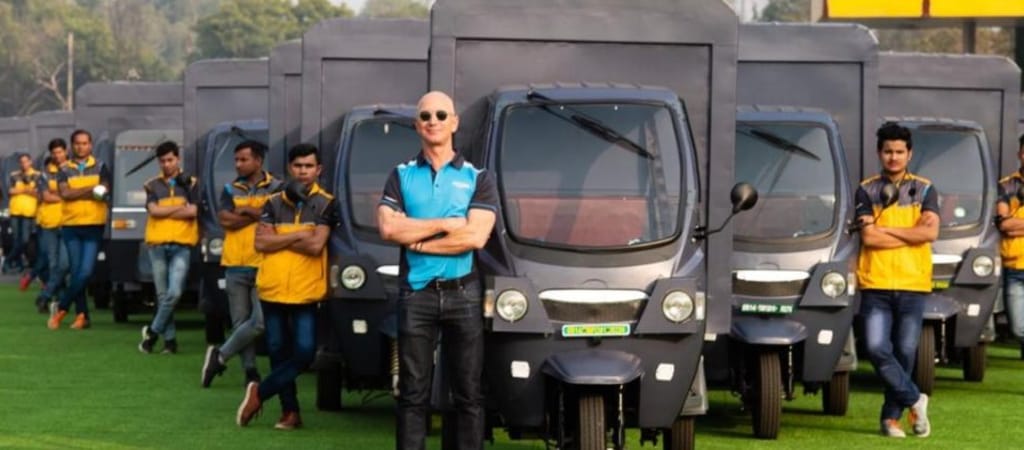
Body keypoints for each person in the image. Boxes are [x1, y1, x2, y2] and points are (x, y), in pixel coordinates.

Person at [377, 91, 498, 450]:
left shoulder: (478, 177)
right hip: (416, 294)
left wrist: (418, 240)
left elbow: (475, 236)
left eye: (441, 115)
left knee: (468, 393)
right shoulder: (400, 174)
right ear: (417, 125)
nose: (434, 121)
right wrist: (446, 224)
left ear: (454, 123)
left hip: (464, 293)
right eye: (426, 116)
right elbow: (388, 228)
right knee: (413, 393)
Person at [236, 143, 336, 430]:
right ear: (290, 168)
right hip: (272, 287)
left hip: (306, 291)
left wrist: (279, 238)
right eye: (298, 166)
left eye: (308, 166)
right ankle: (290, 413)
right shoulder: (272, 202)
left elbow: (316, 246)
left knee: (304, 353)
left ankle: (260, 392)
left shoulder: (327, 203)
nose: (303, 171)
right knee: (278, 352)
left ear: (319, 169)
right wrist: (298, 236)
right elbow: (260, 242)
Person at [856, 122, 938, 438]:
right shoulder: (866, 189)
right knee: (876, 347)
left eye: (899, 151)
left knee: (905, 351)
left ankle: (891, 419)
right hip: (875, 283)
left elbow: (930, 232)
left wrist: (886, 230)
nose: (893, 157)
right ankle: (915, 399)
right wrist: (910, 233)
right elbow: (869, 238)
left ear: (909, 154)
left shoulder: (925, 189)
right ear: (879, 153)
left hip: (913, 283)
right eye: (888, 151)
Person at [201, 141, 281, 386]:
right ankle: (250, 372)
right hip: (234, 262)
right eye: (236, 160)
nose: (238, 164)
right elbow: (225, 220)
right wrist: (257, 213)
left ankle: (220, 355)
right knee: (239, 322)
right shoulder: (230, 189)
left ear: (258, 161)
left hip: (265, 263)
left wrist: (245, 210)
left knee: (259, 322)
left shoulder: (277, 187)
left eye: (243, 159)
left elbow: (276, 216)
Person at [137, 141, 199, 354]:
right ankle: (170, 342)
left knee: (174, 293)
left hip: (182, 243)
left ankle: (152, 332)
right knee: (164, 296)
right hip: (157, 243)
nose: (166, 164)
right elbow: (153, 211)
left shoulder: (191, 183)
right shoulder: (151, 185)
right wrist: (180, 209)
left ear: (178, 159)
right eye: (162, 161)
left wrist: (165, 212)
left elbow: (193, 212)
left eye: (170, 160)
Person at [47, 130, 111, 330]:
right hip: (71, 226)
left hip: (94, 224)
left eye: (84, 143)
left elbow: (104, 191)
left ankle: (62, 307)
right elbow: (65, 194)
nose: (81, 147)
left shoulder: (101, 166)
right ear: (72, 146)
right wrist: (91, 189)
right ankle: (82, 316)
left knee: (85, 272)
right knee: (76, 272)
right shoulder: (64, 169)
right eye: (77, 143)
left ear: (90, 145)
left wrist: (79, 192)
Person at [996, 134, 1024, 360]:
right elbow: (1004, 224)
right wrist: (1009, 225)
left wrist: (1016, 225)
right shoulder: (1006, 185)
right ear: (1019, 154)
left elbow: (1011, 224)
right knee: (1017, 327)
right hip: (1014, 266)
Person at [35, 140, 70, 314]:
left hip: (68, 222)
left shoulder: (72, 170)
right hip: (49, 224)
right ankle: (60, 300)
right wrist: (65, 194)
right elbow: (46, 197)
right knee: (53, 263)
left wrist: (57, 193)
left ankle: (45, 295)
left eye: (60, 152)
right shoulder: (44, 175)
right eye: (54, 153)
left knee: (64, 264)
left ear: (66, 151)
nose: (57, 155)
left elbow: (72, 193)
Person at [9, 153, 40, 285]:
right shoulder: (14, 175)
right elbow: (10, 191)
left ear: (30, 162)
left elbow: (37, 192)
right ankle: (19, 264)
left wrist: (21, 190)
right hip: (15, 210)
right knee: (16, 239)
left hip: (29, 211)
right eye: (21, 162)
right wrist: (26, 190)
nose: (23, 164)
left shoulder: (37, 175)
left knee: (25, 240)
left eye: (26, 161)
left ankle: (9, 260)